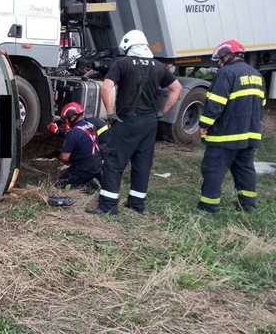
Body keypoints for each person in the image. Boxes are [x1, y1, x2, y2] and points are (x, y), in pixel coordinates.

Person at [88, 30, 182, 215]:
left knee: (114, 162)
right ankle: (137, 204)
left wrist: (110, 113)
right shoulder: (158, 66)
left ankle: (108, 206)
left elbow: (106, 87)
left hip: (126, 120)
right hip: (149, 123)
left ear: (128, 46)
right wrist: (162, 112)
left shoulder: (122, 64)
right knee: (142, 164)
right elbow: (176, 90)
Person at [197, 40, 265, 213]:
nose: (219, 63)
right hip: (250, 135)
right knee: (245, 169)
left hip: (225, 136)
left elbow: (215, 104)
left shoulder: (226, 73)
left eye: (220, 59)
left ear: (228, 56)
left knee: (213, 169)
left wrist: (204, 125)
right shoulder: (257, 75)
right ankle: (248, 204)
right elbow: (261, 104)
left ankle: (208, 205)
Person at [53, 102, 104, 191]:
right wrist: (57, 132)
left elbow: (65, 158)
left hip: (83, 168)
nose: (65, 121)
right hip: (97, 164)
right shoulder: (91, 126)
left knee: (59, 185)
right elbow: (80, 138)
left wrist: (62, 157)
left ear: (72, 116)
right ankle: (96, 179)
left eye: (65, 119)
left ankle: (87, 186)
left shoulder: (72, 133)